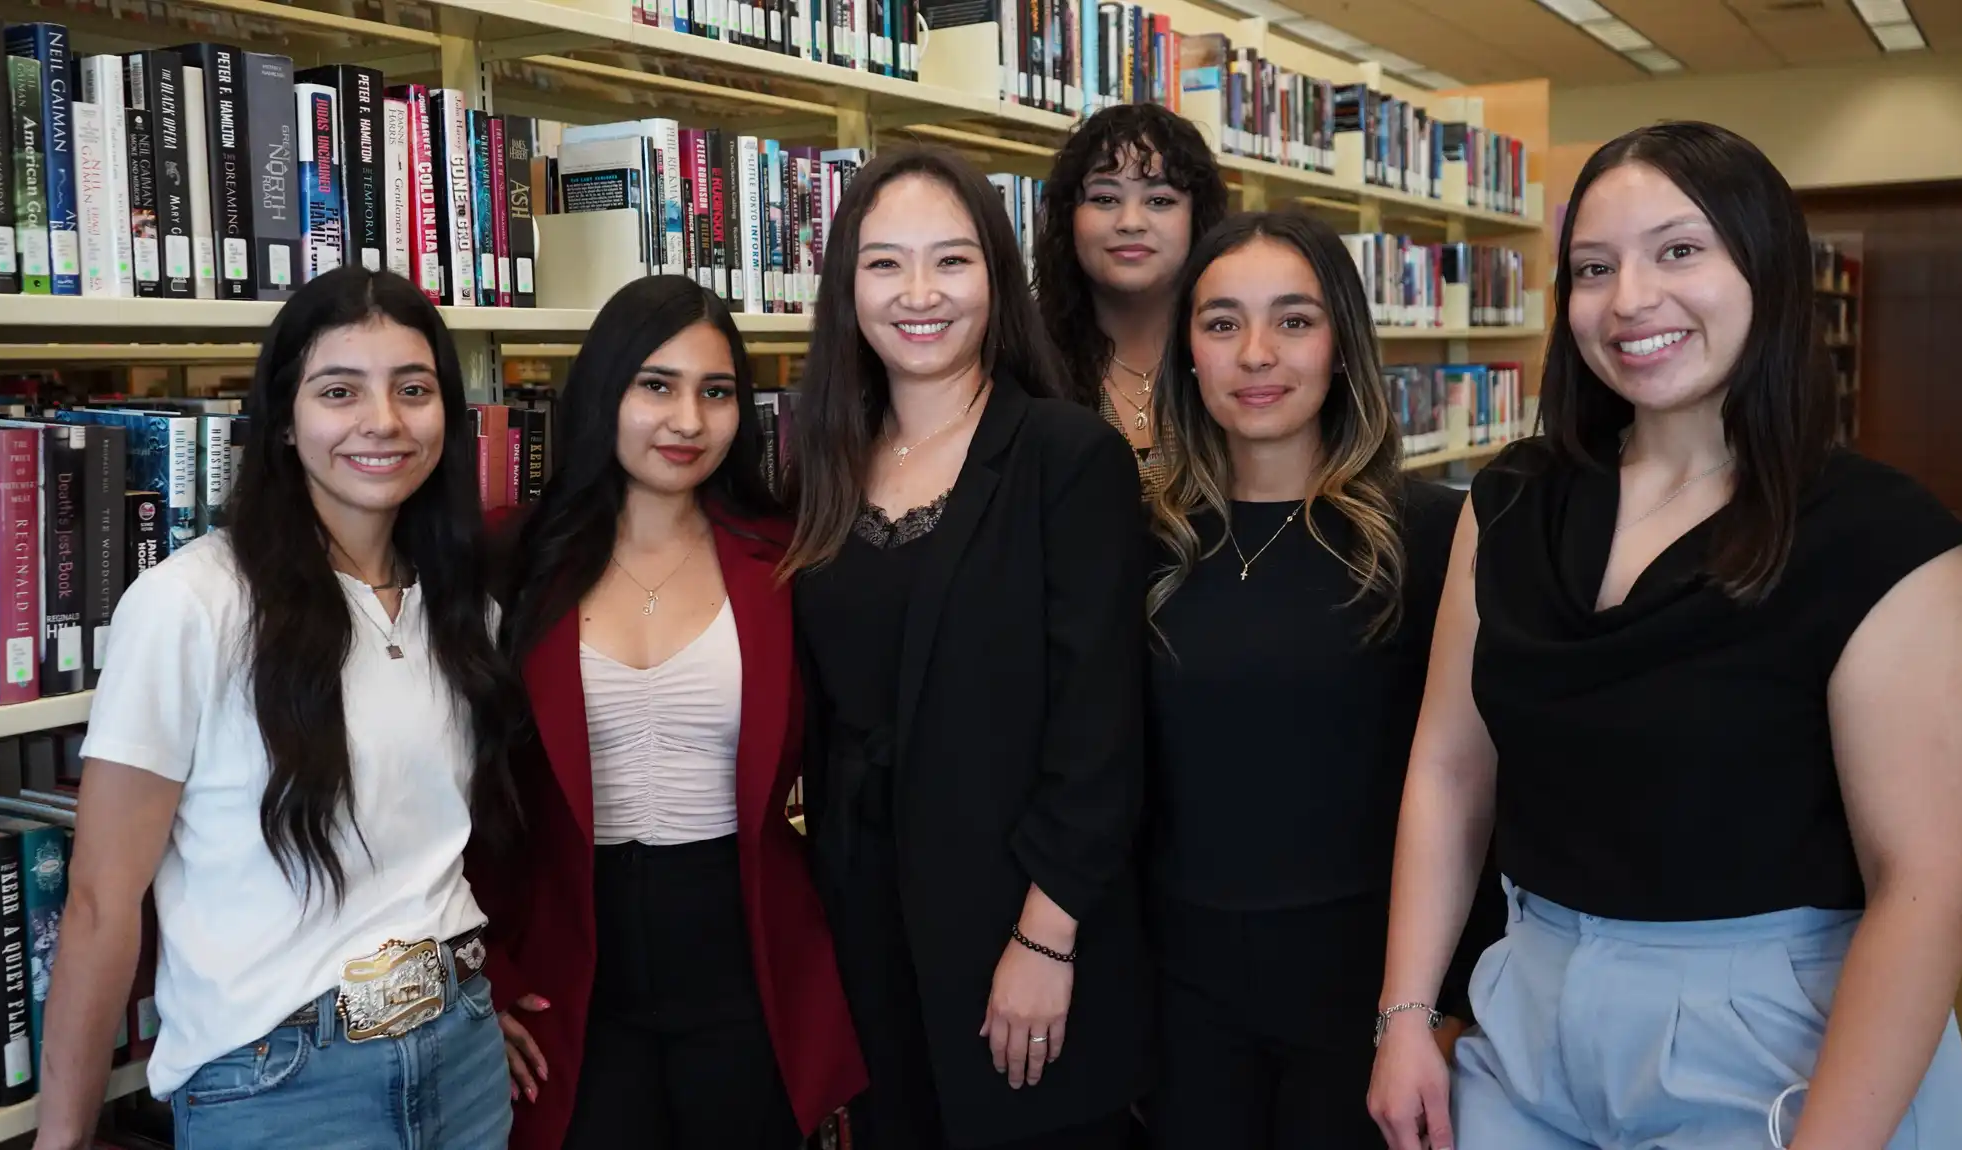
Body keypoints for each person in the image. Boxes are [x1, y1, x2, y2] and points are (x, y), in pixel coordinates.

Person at [1368, 120, 1962, 1150]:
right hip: (1529, 1015)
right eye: (1592, 266)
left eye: (1677, 250)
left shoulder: (1879, 540)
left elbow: (1929, 890)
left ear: (1763, 266)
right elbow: (1449, 769)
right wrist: (1402, 1015)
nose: (1629, 299)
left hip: (1778, 1045)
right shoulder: (1506, 503)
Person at [33, 267, 525, 1150]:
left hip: (463, 1057)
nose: (382, 420)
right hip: (281, 1085)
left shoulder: (462, 607)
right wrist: (61, 1141)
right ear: (286, 423)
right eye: (340, 390)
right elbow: (103, 901)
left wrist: (467, 1001)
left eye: (413, 390)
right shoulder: (192, 605)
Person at [784, 144, 1155, 1150]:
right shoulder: (821, 463)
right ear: (844, 285)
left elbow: (1100, 728)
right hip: (867, 927)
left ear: (997, 276)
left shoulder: (1065, 457)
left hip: (1020, 930)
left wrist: (1045, 935)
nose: (918, 294)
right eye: (883, 263)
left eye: (950, 261)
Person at [466, 274, 868, 1150]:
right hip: (569, 966)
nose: (687, 420)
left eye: (716, 392)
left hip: (746, 957)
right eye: (657, 385)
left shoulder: (787, 558)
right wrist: (480, 978)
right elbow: (450, 789)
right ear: (604, 390)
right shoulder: (511, 560)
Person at [1141, 208, 1495, 1148]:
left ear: (1343, 345)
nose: (1256, 353)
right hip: (1180, 996)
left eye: (1294, 321)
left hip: (1368, 992)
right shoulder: (1141, 539)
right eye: (1222, 324)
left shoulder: (1432, 533)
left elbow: (1474, 785)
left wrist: (1437, 1010)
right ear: (1186, 354)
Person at [1034, 103, 1228, 496]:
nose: (1130, 222)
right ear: (1069, 217)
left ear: (1197, 219)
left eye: (1160, 201)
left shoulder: (1232, 355)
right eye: (1105, 199)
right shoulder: (1026, 359)